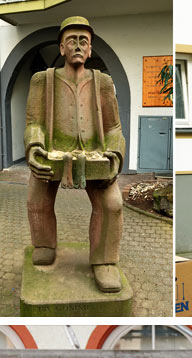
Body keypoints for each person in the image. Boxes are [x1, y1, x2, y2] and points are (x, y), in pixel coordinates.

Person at [24, 15, 125, 293]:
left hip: (94, 155)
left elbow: (114, 127)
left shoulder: (102, 82)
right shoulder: (42, 81)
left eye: (84, 41)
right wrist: (34, 148)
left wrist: (114, 155)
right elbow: (33, 123)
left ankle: (105, 261)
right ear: (61, 47)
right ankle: (45, 244)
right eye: (72, 41)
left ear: (90, 49)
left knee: (112, 204)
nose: (78, 46)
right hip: (53, 155)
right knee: (36, 197)